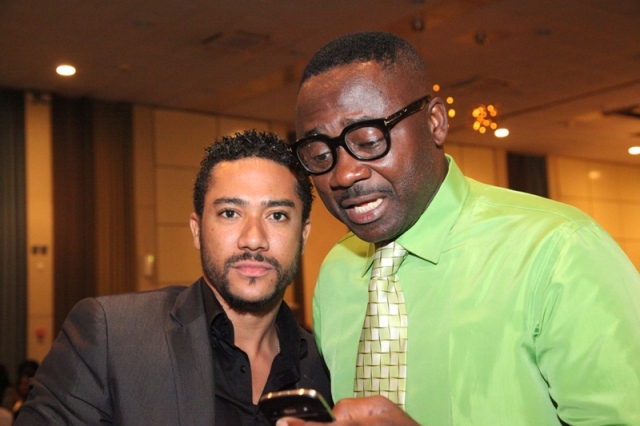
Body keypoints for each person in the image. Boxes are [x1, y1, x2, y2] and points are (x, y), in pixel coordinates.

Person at [285, 31, 640, 425]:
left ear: (435, 122)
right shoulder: (336, 274)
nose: (343, 174)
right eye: (319, 154)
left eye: (369, 141)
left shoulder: (558, 251)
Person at [15, 130, 331, 425]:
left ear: (303, 236)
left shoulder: (326, 364)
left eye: (277, 215)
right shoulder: (111, 336)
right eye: (230, 213)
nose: (253, 238)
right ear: (197, 230)